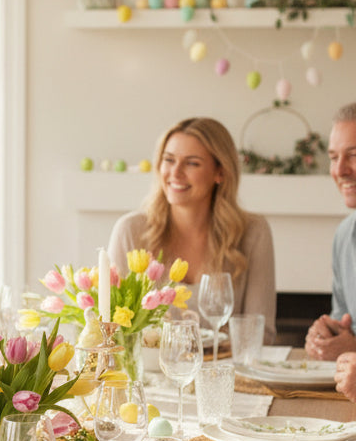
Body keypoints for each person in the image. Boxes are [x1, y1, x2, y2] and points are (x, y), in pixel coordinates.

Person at [108, 116, 277, 342]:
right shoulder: (130, 231)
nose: (175, 173)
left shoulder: (254, 233)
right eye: (169, 160)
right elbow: (113, 330)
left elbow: (261, 334)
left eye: (192, 163)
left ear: (220, 172)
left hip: (225, 365)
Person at [305, 102, 356, 361]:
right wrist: (325, 336)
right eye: (334, 158)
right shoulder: (344, 236)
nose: (340, 170)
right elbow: (343, 324)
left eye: (354, 155)